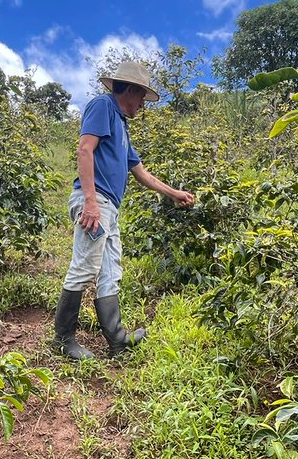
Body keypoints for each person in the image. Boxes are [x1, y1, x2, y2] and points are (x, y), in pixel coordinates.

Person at [53, 60, 195, 360]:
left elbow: (141, 173)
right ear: (129, 90)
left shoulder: (122, 125)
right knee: (84, 268)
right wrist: (90, 201)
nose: (143, 104)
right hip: (95, 201)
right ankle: (63, 340)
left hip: (109, 208)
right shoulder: (103, 106)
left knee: (110, 272)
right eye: (141, 97)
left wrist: (174, 194)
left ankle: (117, 339)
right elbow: (84, 149)